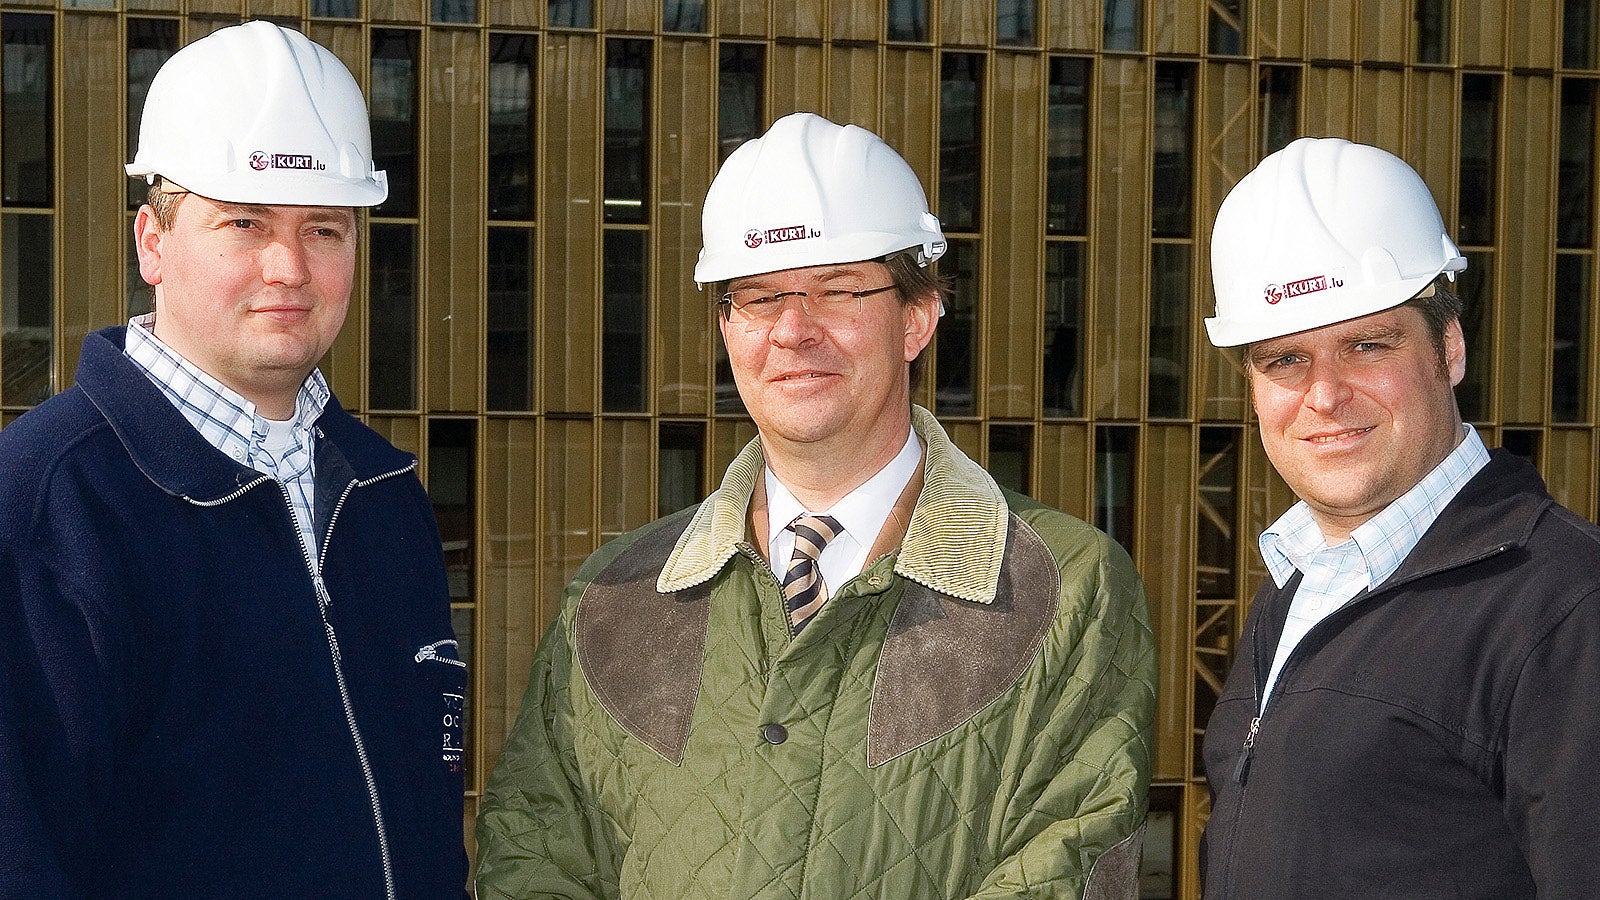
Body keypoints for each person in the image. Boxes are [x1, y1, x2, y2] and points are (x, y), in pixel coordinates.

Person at [476, 112, 1156, 899]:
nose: (794, 331)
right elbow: (532, 857)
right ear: (728, 329)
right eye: (760, 298)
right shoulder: (612, 598)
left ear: (919, 317)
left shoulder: (1064, 586)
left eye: (838, 290)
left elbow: (1065, 864)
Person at [0, 22, 466, 897]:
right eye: (244, 223)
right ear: (153, 243)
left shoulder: (386, 498)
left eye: (325, 229)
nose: (288, 266)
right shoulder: (45, 510)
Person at [1199, 137, 1600, 897]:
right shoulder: (1300, 588)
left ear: (1448, 348)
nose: (1324, 395)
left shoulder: (1569, 607)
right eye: (1285, 358)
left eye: (1365, 345)